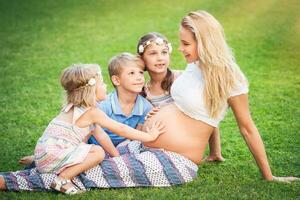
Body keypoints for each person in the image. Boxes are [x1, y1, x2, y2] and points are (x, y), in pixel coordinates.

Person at [0, 10, 298, 193]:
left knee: (93, 173)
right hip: (145, 144)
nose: (179, 50)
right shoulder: (194, 67)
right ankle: (40, 165)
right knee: (87, 156)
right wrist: (215, 152)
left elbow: (246, 128)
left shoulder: (231, 78)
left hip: (175, 162)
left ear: (204, 42)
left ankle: (8, 182)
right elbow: (203, 114)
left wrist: (268, 176)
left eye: (184, 43)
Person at [0, 64, 164, 193]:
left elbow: (102, 137)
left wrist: (116, 159)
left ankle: (40, 162)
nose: (106, 86)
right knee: (97, 152)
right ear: (91, 89)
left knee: (94, 147)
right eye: (102, 83)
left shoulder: (74, 108)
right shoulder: (92, 112)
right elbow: (120, 129)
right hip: (54, 153)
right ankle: (62, 179)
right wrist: (149, 137)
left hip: (47, 151)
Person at [137, 32, 224, 161]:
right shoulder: (143, 90)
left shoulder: (183, 80)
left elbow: (208, 113)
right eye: (153, 53)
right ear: (141, 58)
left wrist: (215, 151)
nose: (160, 58)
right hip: (163, 145)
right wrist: (149, 116)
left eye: (164, 52)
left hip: (189, 140)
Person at [88, 53, 153, 147]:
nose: (139, 77)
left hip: (124, 146)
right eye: (132, 73)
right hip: (97, 145)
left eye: (141, 72)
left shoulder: (146, 107)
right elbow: (94, 133)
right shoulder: (105, 105)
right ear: (116, 80)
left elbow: (137, 136)